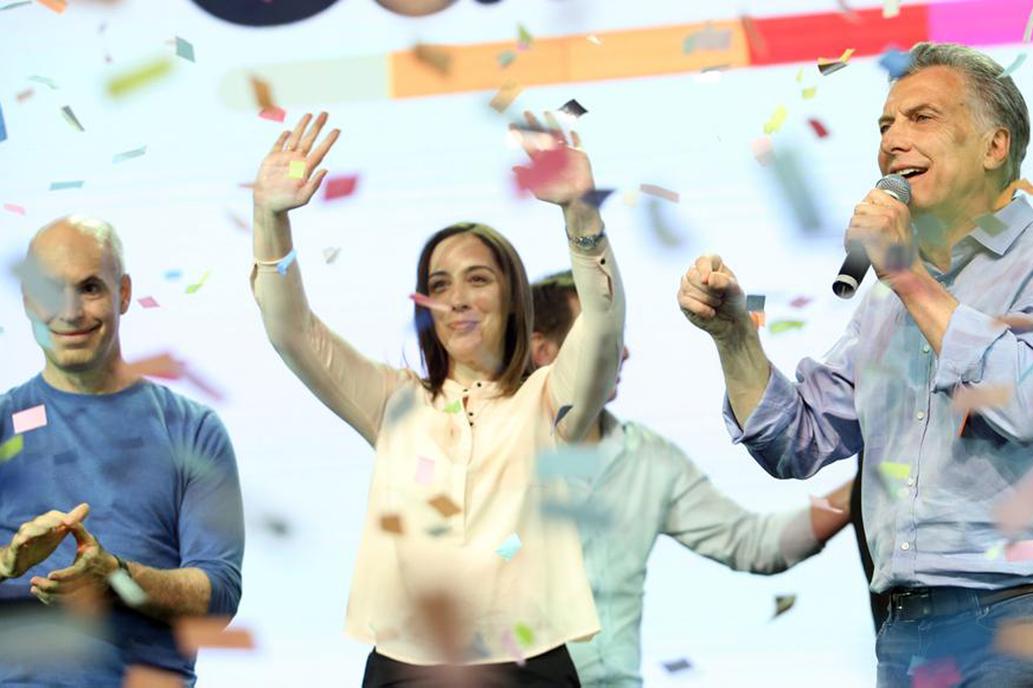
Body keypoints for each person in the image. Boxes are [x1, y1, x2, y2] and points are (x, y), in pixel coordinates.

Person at [678, 42, 1033, 685]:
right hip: (904, 630)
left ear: (994, 146)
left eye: (921, 118)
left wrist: (907, 277)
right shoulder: (889, 293)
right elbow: (798, 441)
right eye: (885, 125)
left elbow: (1025, 404)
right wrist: (733, 338)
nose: (892, 141)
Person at [249, 111, 625, 686]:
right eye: (440, 285)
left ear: (513, 298)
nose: (458, 299)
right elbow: (290, 330)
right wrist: (269, 218)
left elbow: (602, 323)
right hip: (405, 669)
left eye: (479, 279)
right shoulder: (392, 402)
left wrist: (581, 212)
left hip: (530, 667)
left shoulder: (548, 400)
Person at [529, 270, 853, 687]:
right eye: (603, 336)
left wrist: (866, 489)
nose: (624, 352)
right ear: (544, 351)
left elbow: (754, 544)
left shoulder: (647, 458)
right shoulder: (493, 451)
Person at [0, 217, 245, 687]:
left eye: (90, 288)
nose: (70, 312)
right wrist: (6, 562)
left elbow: (219, 597)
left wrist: (115, 578)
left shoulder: (192, 431)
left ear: (124, 293)